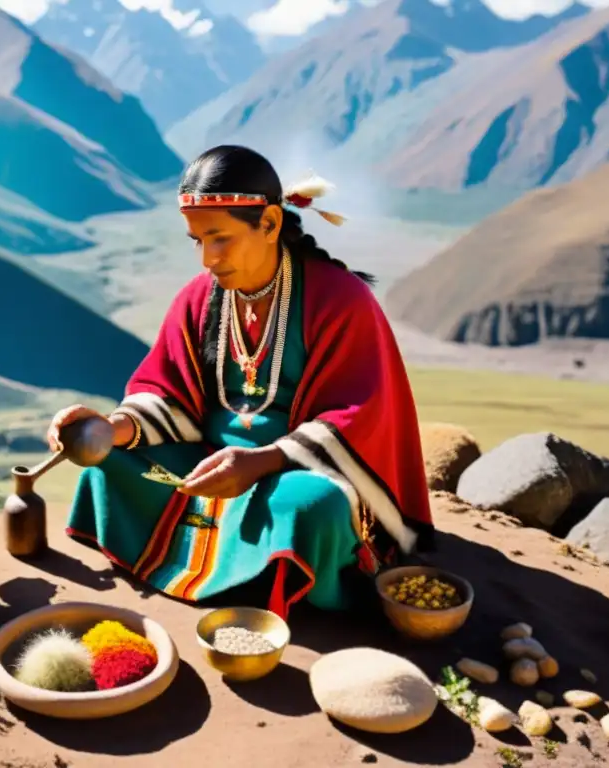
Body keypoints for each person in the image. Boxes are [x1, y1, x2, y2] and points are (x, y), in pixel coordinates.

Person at [49, 145, 434, 619]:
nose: (207, 259)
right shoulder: (198, 299)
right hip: (207, 457)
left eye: (220, 239)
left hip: (297, 470)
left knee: (310, 509)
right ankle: (236, 567)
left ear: (270, 224)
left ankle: (264, 576)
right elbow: (168, 392)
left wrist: (261, 461)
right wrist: (111, 430)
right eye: (197, 241)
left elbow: (358, 418)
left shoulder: (340, 300)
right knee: (108, 465)